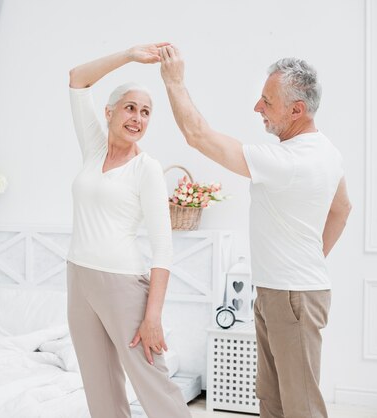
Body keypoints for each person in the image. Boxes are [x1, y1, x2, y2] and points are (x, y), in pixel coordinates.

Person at [158, 44, 352, 418]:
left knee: (302, 407)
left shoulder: (290, 160)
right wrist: (309, 260)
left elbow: (198, 136)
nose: (257, 108)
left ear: (297, 110)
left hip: (292, 295)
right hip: (282, 291)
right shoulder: (325, 151)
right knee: (272, 400)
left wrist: (174, 81)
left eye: (267, 100)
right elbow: (342, 209)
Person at [67, 43, 192, 418]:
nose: (138, 118)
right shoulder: (93, 147)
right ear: (109, 112)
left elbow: (163, 247)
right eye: (130, 107)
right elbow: (77, 78)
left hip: (122, 284)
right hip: (79, 277)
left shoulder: (147, 169)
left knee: (154, 385)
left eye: (146, 112)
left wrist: (152, 316)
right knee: (99, 386)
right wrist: (130, 55)